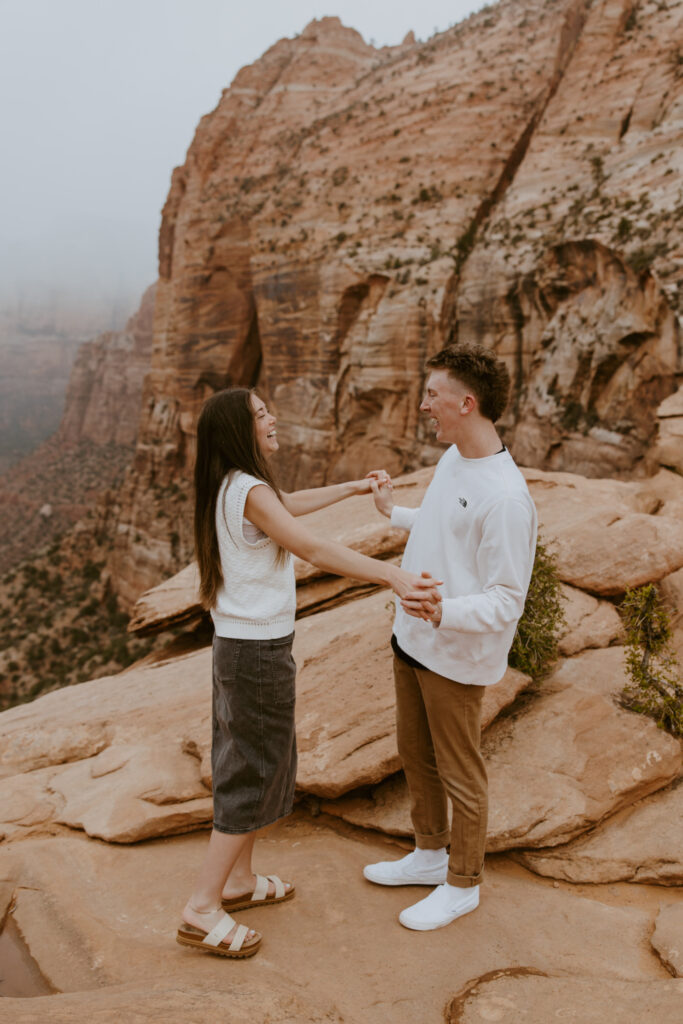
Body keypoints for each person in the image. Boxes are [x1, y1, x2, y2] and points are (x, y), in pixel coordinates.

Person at [176, 386, 440, 958]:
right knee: (252, 771)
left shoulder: (236, 485)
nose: (273, 419)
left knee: (253, 763)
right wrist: (393, 576)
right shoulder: (246, 489)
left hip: (238, 650)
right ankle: (201, 907)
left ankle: (240, 881)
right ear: (237, 430)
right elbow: (312, 549)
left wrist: (352, 487)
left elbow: (287, 503)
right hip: (256, 655)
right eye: (261, 414)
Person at [363, 344, 537, 931]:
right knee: (416, 754)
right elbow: (446, 519)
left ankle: (462, 884)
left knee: (460, 770)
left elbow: (508, 599)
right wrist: (396, 514)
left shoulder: (508, 497)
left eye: (433, 395)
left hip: (455, 654)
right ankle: (430, 854)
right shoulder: (454, 461)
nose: (422, 405)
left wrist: (442, 613)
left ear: (466, 402)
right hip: (412, 637)